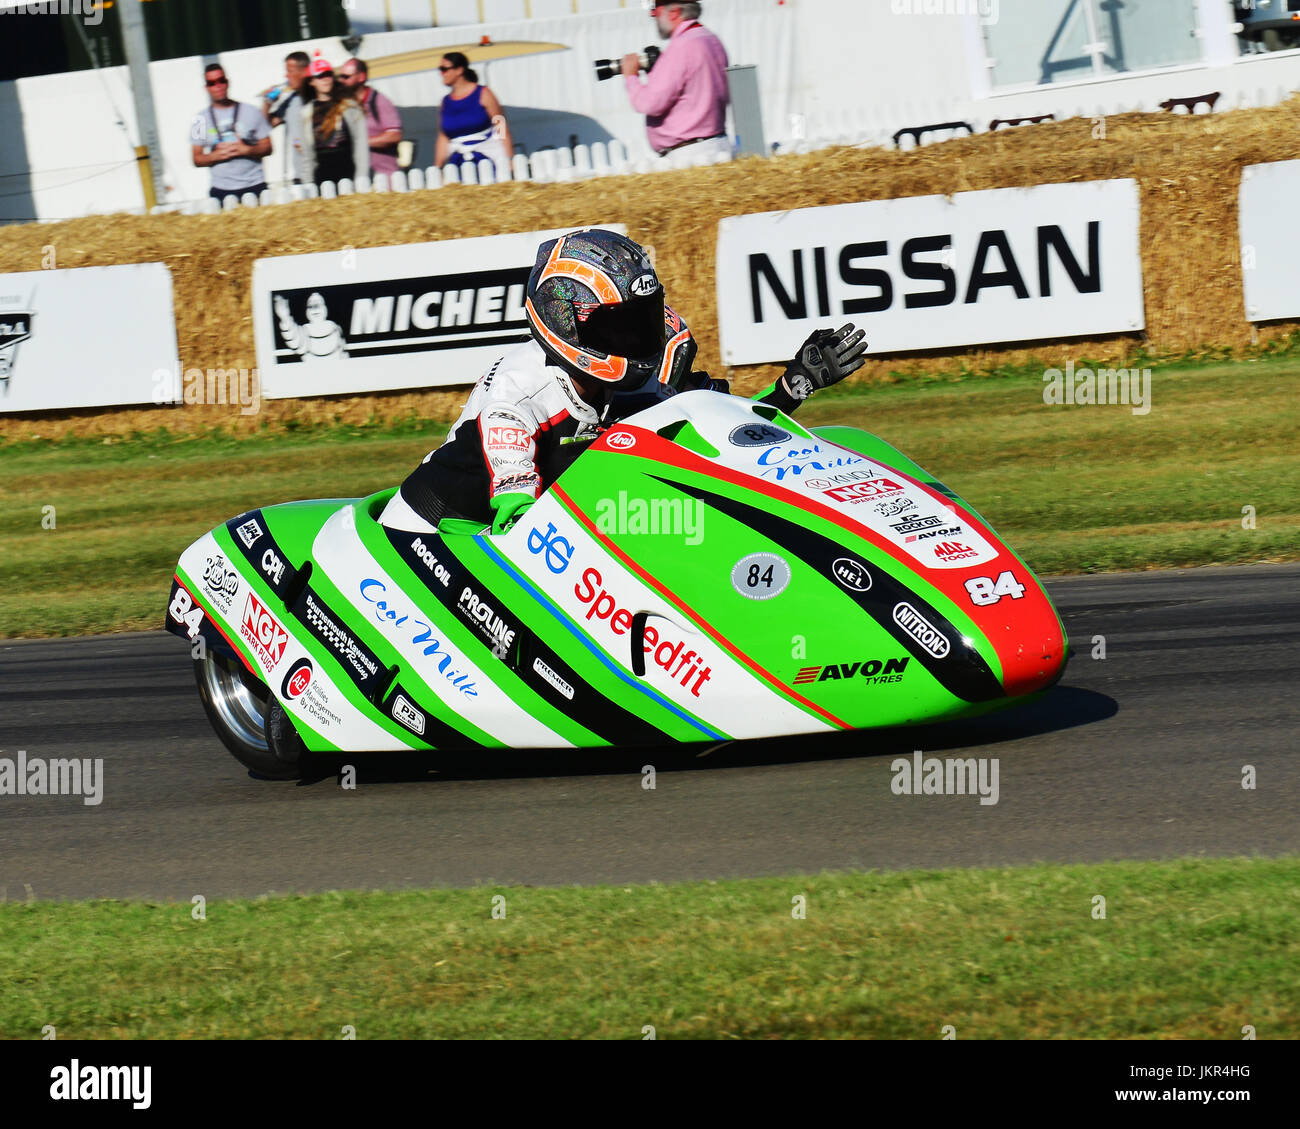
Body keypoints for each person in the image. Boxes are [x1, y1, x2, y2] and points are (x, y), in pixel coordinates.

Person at [379, 229, 867, 536]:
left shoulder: (626, 383)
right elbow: (512, 498)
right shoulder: (521, 388)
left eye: (641, 320)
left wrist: (793, 386)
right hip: (436, 535)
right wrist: (519, 500)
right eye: (618, 326)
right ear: (564, 321)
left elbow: (722, 428)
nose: (636, 339)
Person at [622, 2, 731, 161]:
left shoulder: (682, 46)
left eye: (655, 10)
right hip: (716, 145)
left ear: (674, 12)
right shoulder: (711, 39)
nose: (652, 15)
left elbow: (650, 103)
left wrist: (631, 76)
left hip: (690, 154)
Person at [190, 63, 273, 204]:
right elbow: (196, 158)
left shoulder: (251, 111)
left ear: (227, 83)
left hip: (255, 185)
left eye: (221, 80)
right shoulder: (199, 119)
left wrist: (247, 150)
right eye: (212, 83)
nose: (218, 86)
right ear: (206, 88)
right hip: (221, 190)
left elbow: (268, 147)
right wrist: (215, 156)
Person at [434, 51, 513, 177]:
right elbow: (443, 137)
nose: (441, 73)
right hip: (459, 163)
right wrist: (437, 168)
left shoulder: (484, 93)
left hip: (490, 157)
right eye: (440, 69)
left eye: (444, 69)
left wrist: (509, 158)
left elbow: (501, 127)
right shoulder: (445, 102)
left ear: (459, 70)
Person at [297, 52, 370, 188]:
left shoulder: (349, 107)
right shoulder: (306, 113)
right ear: (312, 81)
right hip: (322, 180)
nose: (325, 79)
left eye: (328, 75)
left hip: (349, 176)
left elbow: (361, 145)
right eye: (319, 76)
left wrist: (362, 179)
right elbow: (307, 155)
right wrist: (307, 184)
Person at [339, 57, 404, 179]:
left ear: (361, 77)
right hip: (357, 180)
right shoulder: (343, 105)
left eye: (346, 77)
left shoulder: (379, 101)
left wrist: (360, 143)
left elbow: (394, 135)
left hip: (385, 179)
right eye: (340, 76)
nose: (341, 81)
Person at [263, 50, 311, 185]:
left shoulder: (320, 97)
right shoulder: (290, 101)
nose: (286, 75)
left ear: (304, 72)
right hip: (301, 176)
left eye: (290, 71)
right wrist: (267, 103)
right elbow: (267, 125)